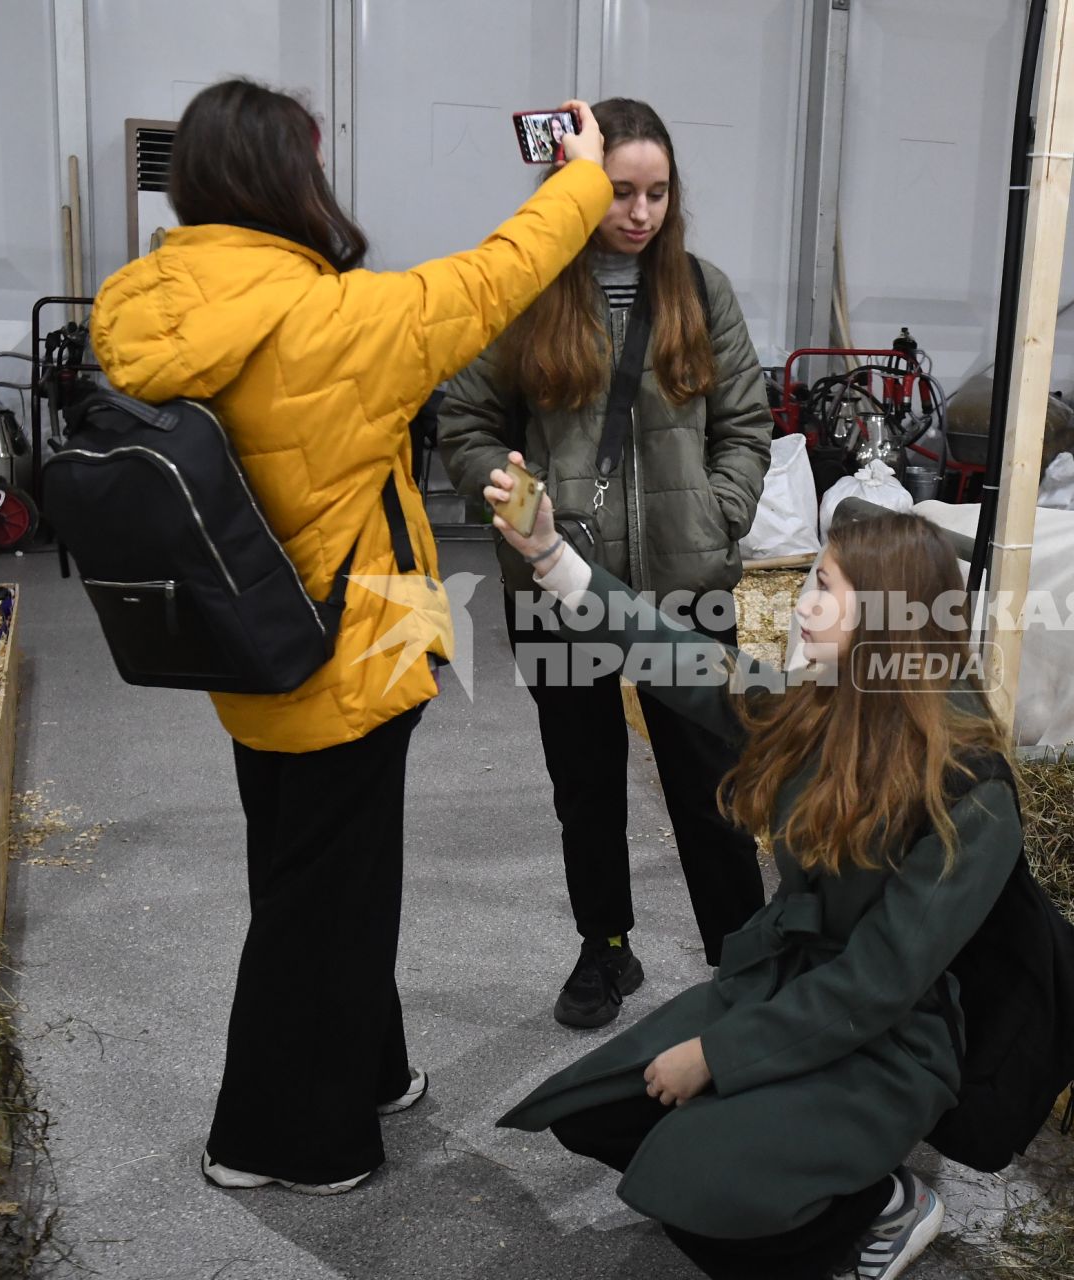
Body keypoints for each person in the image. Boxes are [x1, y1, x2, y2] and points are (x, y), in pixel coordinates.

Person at [88, 79, 612, 1195]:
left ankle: (371, 1067)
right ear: (292, 177)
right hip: (356, 643)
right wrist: (584, 178)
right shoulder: (337, 318)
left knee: (319, 870)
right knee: (319, 900)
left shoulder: (144, 302)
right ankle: (279, 1139)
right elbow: (496, 275)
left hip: (241, 639)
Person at [488, 474, 1021, 1280]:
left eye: (828, 590)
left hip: (887, 1041)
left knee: (694, 1185)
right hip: (785, 988)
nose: (803, 604)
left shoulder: (969, 791)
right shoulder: (818, 708)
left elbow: (876, 985)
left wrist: (717, 1053)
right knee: (593, 1113)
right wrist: (554, 557)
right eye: (812, 581)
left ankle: (881, 1208)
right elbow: (677, 656)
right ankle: (770, 1143)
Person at [439, 98, 773, 1031]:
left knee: (713, 780)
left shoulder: (700, 293)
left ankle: (741, 955)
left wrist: (722, 514)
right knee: (584, 782)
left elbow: (746, 423)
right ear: (574, 184)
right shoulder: (524, 293)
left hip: (686, 583)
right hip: (560, 586)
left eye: (657, 192)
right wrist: (510, 498)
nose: (639, 212)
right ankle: (607, 948)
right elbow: (464, 426)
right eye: (620, 190)